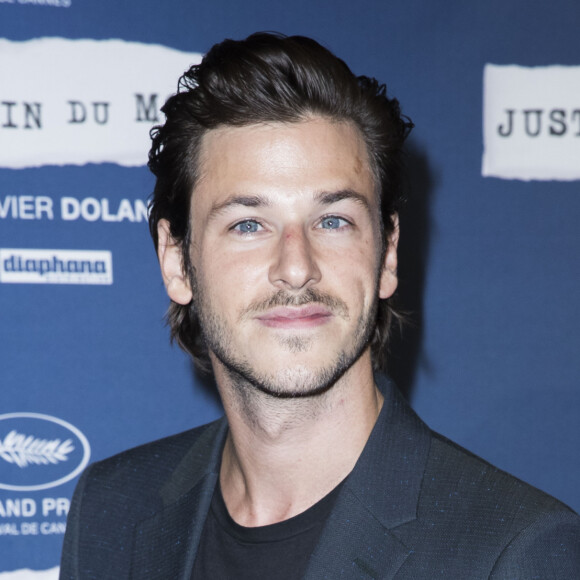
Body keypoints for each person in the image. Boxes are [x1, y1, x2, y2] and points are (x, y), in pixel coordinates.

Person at [60, 33, 580, 579]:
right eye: (247, 224)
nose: (296, 266)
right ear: (177, 261)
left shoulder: (515, 553)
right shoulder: (111, 511)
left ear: (387, 255)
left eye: (333, 221)